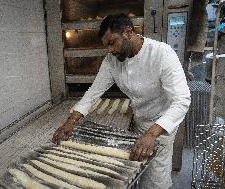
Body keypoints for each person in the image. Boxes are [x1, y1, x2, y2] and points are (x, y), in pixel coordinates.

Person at [53, 13, 191, 189]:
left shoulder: (162, 54)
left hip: (161, 125)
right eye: (106, 45)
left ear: (128, 32)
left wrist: (151, 134)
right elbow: (93, 92)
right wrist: (71, 121)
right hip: (139, 119)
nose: (109, 50)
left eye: (112, 42)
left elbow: (182, 101)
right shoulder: (112, 60)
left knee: (155, 179)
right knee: (133, 170)